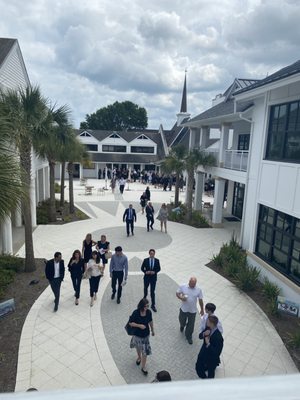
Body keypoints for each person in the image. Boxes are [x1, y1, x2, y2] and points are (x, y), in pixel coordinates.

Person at [129, 298, 154, 376]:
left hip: (145, 336)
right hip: (137, 335)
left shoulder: (149, 312)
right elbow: (130, 323)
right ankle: (139, 357)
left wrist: (153, 330)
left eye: (148, 306)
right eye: (146, 306)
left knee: (145, 352)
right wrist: (139, 325)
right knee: (138, 347)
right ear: (141, 306)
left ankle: (143, 367)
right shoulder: (136, 313)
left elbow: (150, 321)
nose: (147, 308)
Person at [176, 277, 204, 344]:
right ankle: (182, 325)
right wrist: (181, 298)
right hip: (183, 309)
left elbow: (200, 300)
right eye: (192, 283)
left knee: (191, 325)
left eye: (194, 284)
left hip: (192, 311)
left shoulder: (198, 290)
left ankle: (189, 336)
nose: (193, 285)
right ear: (189, 282)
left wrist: (202, 309)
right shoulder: (183, 286)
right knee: (181, 320)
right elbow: (177, 293)